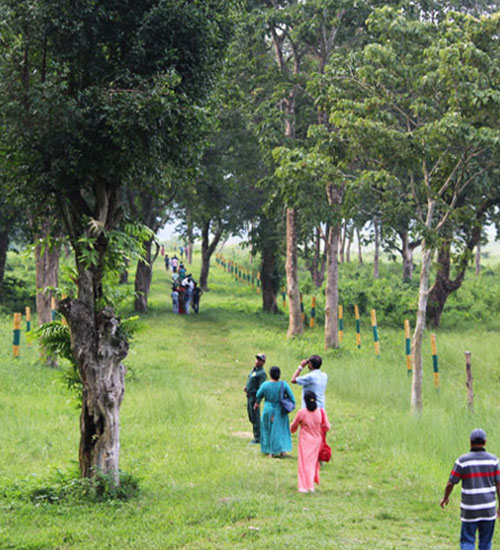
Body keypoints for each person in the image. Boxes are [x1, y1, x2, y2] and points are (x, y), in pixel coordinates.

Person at [441, 428, 500, 550]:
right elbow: (499, 484)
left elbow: (450, 483)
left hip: (470, 509)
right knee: (485, 543)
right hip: (488, 509)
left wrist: (445, 498)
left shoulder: (462, 461)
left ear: (470, 442)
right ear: (485, 442)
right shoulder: (494, 461)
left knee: (467, 540)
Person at [291, 391, 331, 493]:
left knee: (304, 463)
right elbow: (327, 426)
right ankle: (311, 485)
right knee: (313, 464)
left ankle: (304, 486)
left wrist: (293, 429)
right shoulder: (321, 412)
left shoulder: (302, 412)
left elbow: (293, 426)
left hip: (305, 440)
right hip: (317, 441)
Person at [255, 366, 295, 457]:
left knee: (267, 429)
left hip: (268, 409)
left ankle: (269, 450)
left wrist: (257, 403)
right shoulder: (283, 385)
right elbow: (292, 398)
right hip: (279, 410)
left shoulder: (265, 385)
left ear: (270, 374)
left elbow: (258, 395)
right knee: (280, 430)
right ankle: (282, 450)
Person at [244, 353, 267, 445]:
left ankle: (258, 438)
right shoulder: (254, 371)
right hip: (249, 396)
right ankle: (257, 435)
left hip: (254, 397)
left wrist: (258, 401)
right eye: (256, 359)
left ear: (263, 362)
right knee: (251, 416)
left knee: (256, 417)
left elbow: (261, 388)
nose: (257, 361)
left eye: (259, 360)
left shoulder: (262, 374)